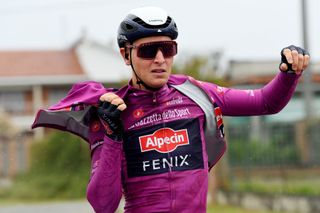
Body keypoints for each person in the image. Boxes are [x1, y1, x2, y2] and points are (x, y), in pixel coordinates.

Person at [32, 6, 310, 213]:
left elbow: (265, 102)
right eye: (147, 51)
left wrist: (288, 73)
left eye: (168, 48)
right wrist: (113, 135)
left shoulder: (197, 92)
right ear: (124, 54)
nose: (160, 60)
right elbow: (102, 204)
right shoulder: (112, 111)